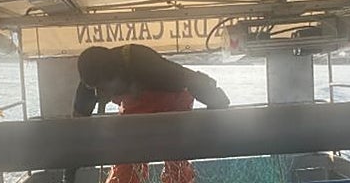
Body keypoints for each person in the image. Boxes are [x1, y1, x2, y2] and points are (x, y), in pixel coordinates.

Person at [72, 44, 231, 183]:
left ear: (117, 75)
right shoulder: (89, 82)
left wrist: (218, 103)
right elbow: (75, 131)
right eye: (96, 89)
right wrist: (69, 173)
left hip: (173, 103)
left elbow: (192, 79)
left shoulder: (143, 61)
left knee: (175, 161)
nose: (100, 94)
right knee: (126, 163)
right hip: (135, 109)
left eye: (104, 88)